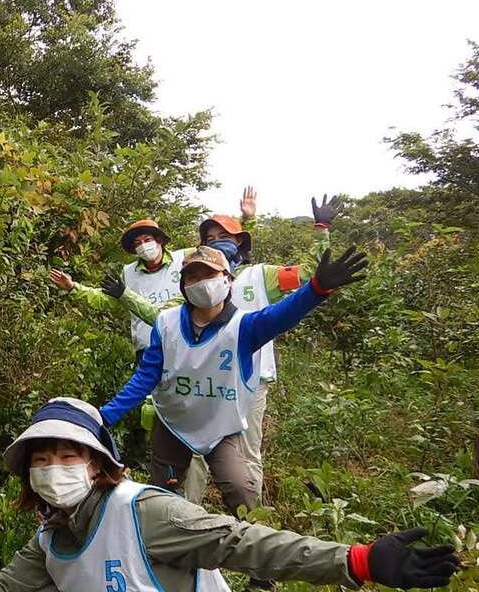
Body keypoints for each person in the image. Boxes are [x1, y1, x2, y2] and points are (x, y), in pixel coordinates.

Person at [0, 397, 460, 591]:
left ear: (99, 464)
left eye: (68, 455)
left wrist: (358, 561)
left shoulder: (144, 511)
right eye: (40, 461)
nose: (52, 469)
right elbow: (2, 589)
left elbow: (244, 542)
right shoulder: (53, 533)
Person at [103, 194, 343, 506]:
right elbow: (159, 324)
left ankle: (249, 526)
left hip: (249, 378)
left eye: (224, 238)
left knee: (244, 457)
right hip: (195, 384)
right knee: (188, 463)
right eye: (209, 238)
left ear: (227, 274)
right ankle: (188, 517)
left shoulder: (261, 276)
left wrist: (321, 234)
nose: (217, 243)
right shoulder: (181, 307)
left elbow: (308, 278)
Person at [47, 188, 260, 464]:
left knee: (189, 403)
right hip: (147, 347)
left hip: (186, 345)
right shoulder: (129, 273)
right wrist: (73, 287)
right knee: (153, 408)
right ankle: (162, 463)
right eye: (137, 242)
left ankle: (202, 460)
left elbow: (226, 254)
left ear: (160, 240)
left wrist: (247, 221)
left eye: (148, 239)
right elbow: (111, 301)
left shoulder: (186, 261)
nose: (143, 245)